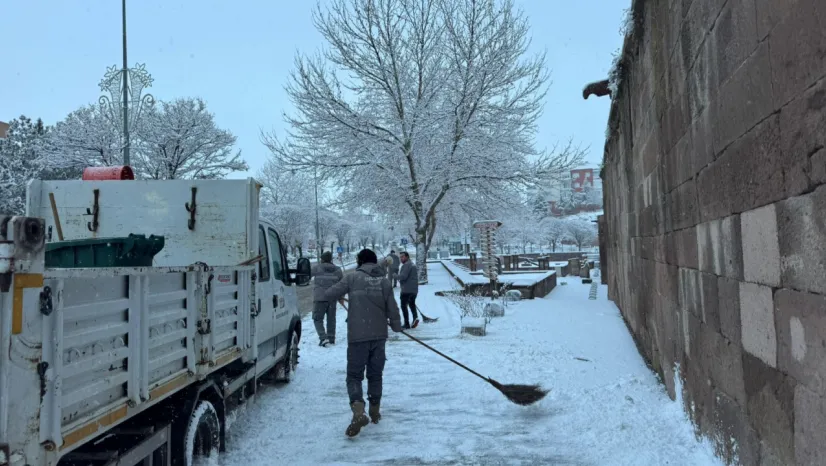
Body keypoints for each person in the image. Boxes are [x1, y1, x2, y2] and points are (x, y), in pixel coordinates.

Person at [324, 248, 403, 437]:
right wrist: (396, 325)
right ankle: (375, 412)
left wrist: (342, 292)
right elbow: (392, 306)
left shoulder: (352, 278)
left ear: (360, 261)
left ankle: (358, 410)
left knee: (354, 375)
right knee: (375, 375)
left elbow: (329, 294)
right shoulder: (383, 281)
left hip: (358, 336)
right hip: (378, 336)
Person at [311, 251, 344, 346]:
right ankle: (331, 338)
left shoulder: (317, 268)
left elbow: (306, 275)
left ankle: (323, 337)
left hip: (319, 298)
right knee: (331, 319)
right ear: (331, 259)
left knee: (317, 319)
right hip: (332, 298)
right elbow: (341, 285)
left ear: (322, 259)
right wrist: (341, 297)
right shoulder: (338, 270)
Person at [397, 251, 419, 329]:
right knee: (412, 304)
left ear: (407, 257)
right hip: (414, 290)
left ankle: (406, 324)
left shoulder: (406, 265)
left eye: (402, 257)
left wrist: (395, 276)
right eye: (400, 257)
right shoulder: (412, 264)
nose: (401, 258)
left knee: (403, 306)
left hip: (406, 290)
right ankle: (415, 318)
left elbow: (403, 277)